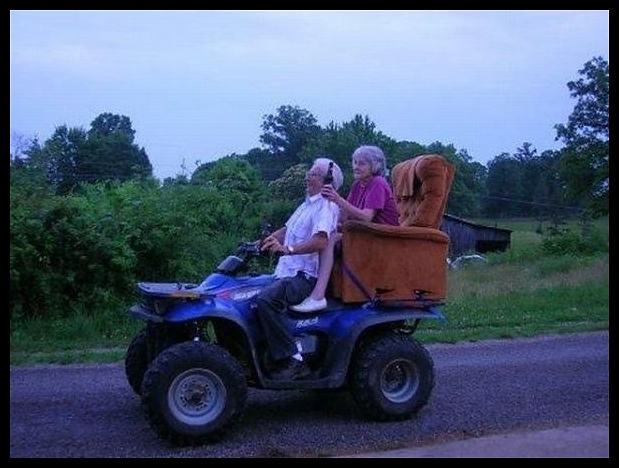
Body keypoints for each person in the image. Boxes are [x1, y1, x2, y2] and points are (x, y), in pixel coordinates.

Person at [257, 157, 344, 380]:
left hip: (303, 277)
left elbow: (320, 241)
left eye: (314, 173)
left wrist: (287, 249)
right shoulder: (306, 204)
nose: (308, 176)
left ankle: (294, 359)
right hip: (285, 272)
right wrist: (263, 242)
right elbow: (286, 231)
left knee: (266, 300)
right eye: (310, 172)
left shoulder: (326, 207)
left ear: (327, 181)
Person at [290, 145, 399, 313]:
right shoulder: (358, 185)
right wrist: (325, 211)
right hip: (363, 233)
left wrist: (337, 199)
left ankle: (318, 296)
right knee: (324, 233)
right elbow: (344, 216)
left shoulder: (378, 183)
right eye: (354, 162)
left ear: (375, 165)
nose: (356, 166)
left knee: (328, 240)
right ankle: (311, 285)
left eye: (362, 163)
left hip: (381, 237)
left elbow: (366, 217)